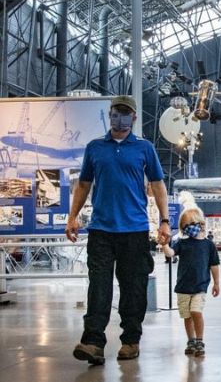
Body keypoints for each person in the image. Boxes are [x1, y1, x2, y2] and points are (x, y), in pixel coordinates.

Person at [66, 95, 170, 365]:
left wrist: (165, 220)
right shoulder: (95, 147)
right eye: (116, 112)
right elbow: (84, 184)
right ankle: (93, 342)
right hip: (101, 229)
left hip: (134, 230)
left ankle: (130, 341)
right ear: (110, 114)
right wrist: (72, 217)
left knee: (133, 288)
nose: (120, 117)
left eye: (125, 113)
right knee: (99, 287)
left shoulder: (145, 148)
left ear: (134, 118)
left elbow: (158, 185)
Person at [162, 205, 220, 357]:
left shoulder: (208, 245)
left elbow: (214, 265)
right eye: (185, 226)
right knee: (187, 316)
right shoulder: (182, 243)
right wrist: (164, 244)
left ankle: (199, 340)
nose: (189, 228)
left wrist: (216, 283)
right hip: (183, 287)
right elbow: (171, 253)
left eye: (191, 224)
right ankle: (191, 340)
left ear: (201, 224)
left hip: (200, 286)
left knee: (196, 311)